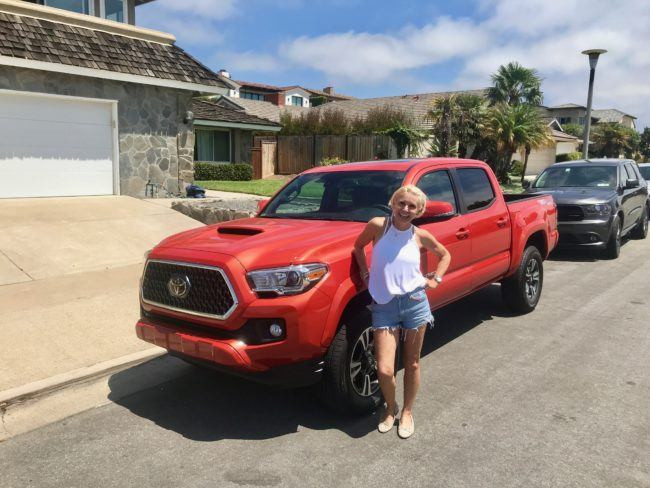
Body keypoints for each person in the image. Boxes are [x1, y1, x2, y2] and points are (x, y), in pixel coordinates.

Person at [353, 185, 451, 439]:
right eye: (401, 203)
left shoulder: (420, 235)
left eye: (412, 206)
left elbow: (444, 254)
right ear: (393, 203)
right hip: (384, 306)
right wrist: (365, 272)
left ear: (419, 211)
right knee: (385, 369)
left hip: (415, 303)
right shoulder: (378, 225)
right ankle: (389, 408)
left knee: (412, 363)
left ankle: (407, 411)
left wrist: (436, 280)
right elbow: (358, 246)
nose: (405, 209)